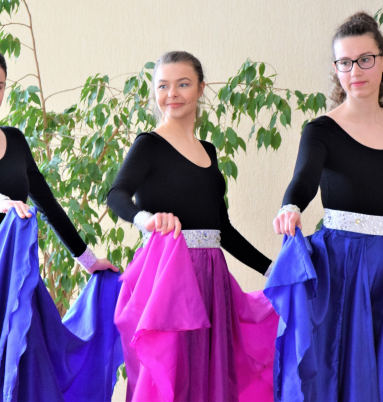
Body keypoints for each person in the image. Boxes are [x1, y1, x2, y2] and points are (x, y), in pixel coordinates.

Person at [0, 46, 121, 402]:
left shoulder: (14, 140)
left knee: (27, 376)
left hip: (15, 272)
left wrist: (88, 260)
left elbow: (48, 204)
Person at [269, 12, 383, 401]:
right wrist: (290, 206)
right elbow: (303, 179)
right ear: (336, 69)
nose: (354, 71)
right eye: (344, 62)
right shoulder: (321, 130)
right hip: (342, 266)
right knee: (341, 374)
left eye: (364, 60)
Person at [108, 51, 278, 402]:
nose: (172, 93)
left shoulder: (209, 151)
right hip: (169, 276)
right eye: (163, 86)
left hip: (212, 280)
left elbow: (222, 229)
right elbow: (117, 195)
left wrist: (272, 269)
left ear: (201, 88)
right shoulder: (149, 145)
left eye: (182, 84)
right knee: (171, 378)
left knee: (210, 378)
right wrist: (146, 220)